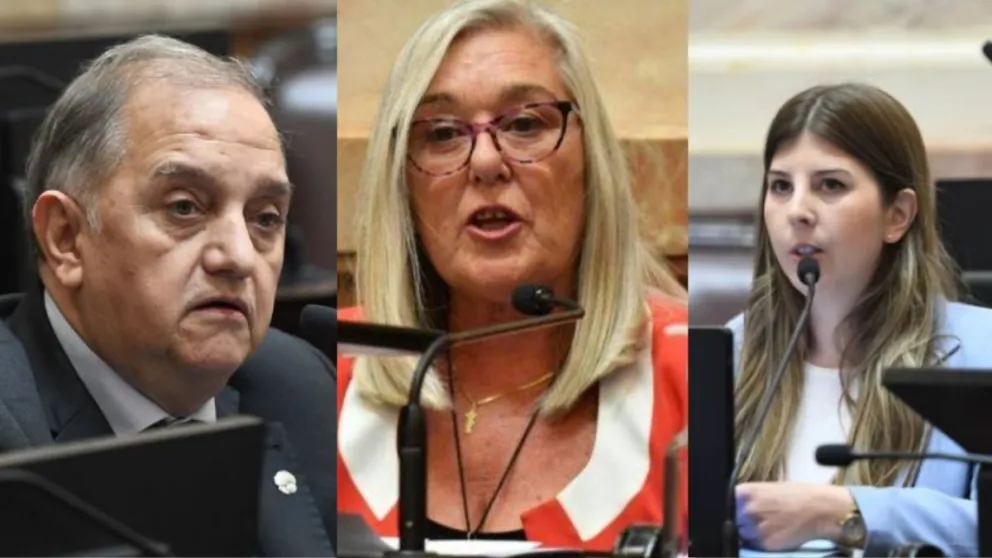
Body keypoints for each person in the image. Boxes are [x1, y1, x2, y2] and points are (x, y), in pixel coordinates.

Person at [336, 0, 688, 550]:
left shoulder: (695, 377)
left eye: (525, 124)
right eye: (442, 133)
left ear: (590, 160)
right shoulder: (324, 371)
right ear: (402, 182)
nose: (485, 162)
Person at [0, 35, 336, 556]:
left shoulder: (297, 384)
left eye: (266, 218)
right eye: (184, 207)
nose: (238, 257)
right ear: (66, 237)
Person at [727, 82, 992, 557]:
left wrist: (845, 512)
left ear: (898, 215)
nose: (797, 211)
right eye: (781, 186)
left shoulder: (981, 348)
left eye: (830, 185)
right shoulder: (727, 351)